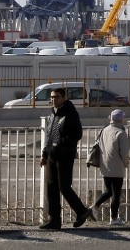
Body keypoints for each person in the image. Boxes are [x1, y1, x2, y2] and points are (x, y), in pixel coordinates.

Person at [39, 87, 91, 229]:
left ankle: (82, 211)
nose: (53, 100)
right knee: (52, 187)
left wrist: (61, 145)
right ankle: (54, 219)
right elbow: (49, 136)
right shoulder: (53, 114)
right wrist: (45, 154)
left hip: (64, 156)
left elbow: (76, 134)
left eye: (56, 97)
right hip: (52, 156)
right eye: (52, 97)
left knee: (64, 187)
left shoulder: (70, 113)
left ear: (64, 98)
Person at [88, 109, 130, 225]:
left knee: (109, 191)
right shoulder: (121, 133)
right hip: (117, 167)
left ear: (110, 118)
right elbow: (124, 152)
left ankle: (95, 206)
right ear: (121, 119)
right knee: (116, 193)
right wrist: (126, 163)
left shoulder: (104, 130)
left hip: (105, 165)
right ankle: (114, 218)